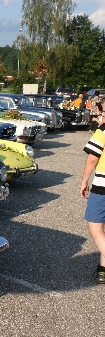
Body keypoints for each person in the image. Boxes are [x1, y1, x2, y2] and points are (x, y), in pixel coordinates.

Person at [81, 113, 105, 283]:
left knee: (95, 228)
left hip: (103, 186)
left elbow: (92, 158)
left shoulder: (103, 130)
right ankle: (103, 270)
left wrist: (84, 181)